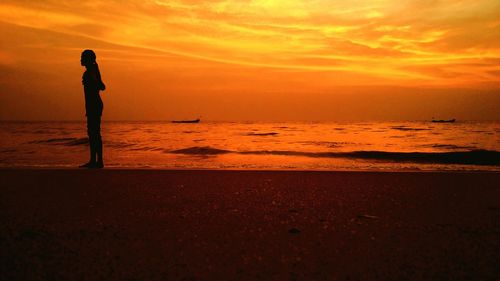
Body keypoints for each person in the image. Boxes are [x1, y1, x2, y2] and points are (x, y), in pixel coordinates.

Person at [79, 49, 106, 168]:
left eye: (82, 57)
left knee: (93, 133)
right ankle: (96, 161)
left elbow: (100, 86)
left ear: (88, 59)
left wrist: (95, 79)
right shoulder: (93, 71)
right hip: (94, 104)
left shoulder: (90, 72)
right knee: (94, 133)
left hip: (94, 105)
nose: (80, 59)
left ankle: (96, 161)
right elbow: (102, 86)